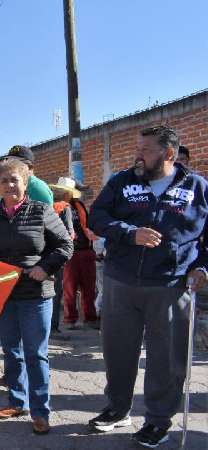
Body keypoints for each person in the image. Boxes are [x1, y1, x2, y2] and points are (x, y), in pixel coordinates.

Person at [88, 126, 208, 448]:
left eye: (146, 149)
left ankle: (157, 422)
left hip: (170, 285)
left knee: (167, 359)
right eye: (137, 148)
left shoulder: (198, 188)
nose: (138, 155)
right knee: (118, 352)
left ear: (169, 154)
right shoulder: (122, 182)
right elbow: (96, 217)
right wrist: (129, 232)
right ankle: (117, 409)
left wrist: (203, 267)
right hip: (121, 281)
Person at [0, 158, 72, 435]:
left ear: (25, 183)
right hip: (3, 295)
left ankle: (40, 412)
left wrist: (45, 267)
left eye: (14, 179)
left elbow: (65, 245)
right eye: (4, 180)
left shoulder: (41, 211)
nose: (9, 185)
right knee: (11, 352)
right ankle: (17, 402)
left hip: (35, 295)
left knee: (35, 353)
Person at [50, 177, 99, 331]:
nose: (65, 194)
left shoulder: (79, 206)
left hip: (86, 250)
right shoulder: (55, 207)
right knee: (69, 288)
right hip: (69, 253)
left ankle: (90, 318)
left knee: (89, 287)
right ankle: (70, 319)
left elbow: (88, 225)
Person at [49, 181, 74, 337]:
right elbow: (68, 234)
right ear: (67, 194)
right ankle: (52, 328)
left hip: (40, 254)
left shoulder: (44, 205)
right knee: (55, 292)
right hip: (56, 256)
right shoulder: (65, 208)